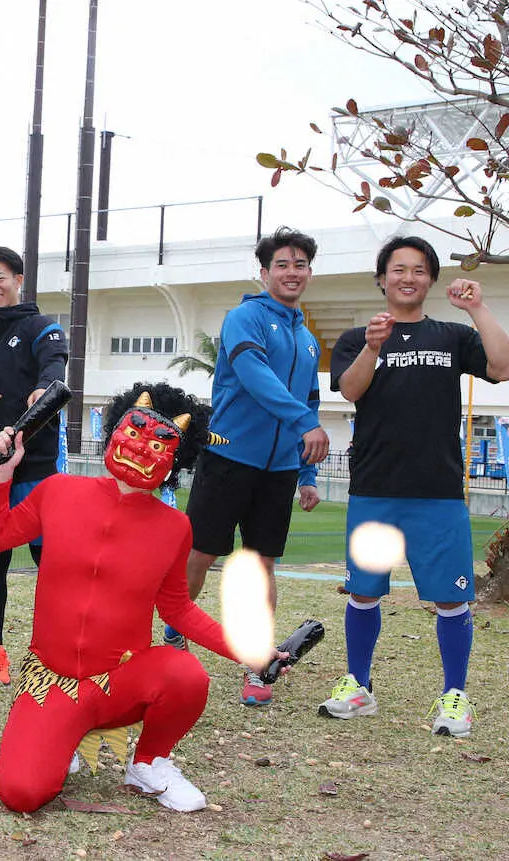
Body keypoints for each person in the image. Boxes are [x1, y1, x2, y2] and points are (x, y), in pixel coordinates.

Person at [0, 382, 286, 814]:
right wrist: (1, 475)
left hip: (120, 683)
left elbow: (177, 607)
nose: (142, 448)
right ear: (115, 430)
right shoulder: (57, 490)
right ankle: (63, 734)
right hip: (52, 682)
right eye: (135, 431)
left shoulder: (175, 526)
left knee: (185, 675)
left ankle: (148, 763)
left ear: (177, 460)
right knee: (23, 794)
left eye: (161, 443)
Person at [320, 236, 509, 738]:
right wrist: (372, 346)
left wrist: (477, 309)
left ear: (430, 280)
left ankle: (455, 697)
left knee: (451, 601)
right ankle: (358, 686)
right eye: (397, 269)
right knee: (364, 593)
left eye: (418, 270)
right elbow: (350, 390)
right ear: (382, 278)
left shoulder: (451, 335)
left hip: (437, 492)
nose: (407, 277)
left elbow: (506, 367)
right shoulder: (357, 338)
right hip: (374, 489)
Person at [171, 227, 329, 708]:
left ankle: (257, 665)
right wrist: (305, 423)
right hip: (229, 457)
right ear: (264, 273)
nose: (292, 272)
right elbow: (256, 377)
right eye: (282, 264)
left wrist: (306, 475)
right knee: (199, 556)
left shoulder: (307, 338)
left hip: (279, 470)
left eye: (300, 264)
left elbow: (310, 399)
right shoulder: (245, 317)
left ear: (308, 272)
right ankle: (174, 637)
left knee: (261, 567)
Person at [0, 243, 68, 685]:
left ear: (19, 280)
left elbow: (55, 368)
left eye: (0, 278)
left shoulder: (42, 327)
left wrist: (41, 391)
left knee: (51, 565)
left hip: (37, 471)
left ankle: (52, 652)